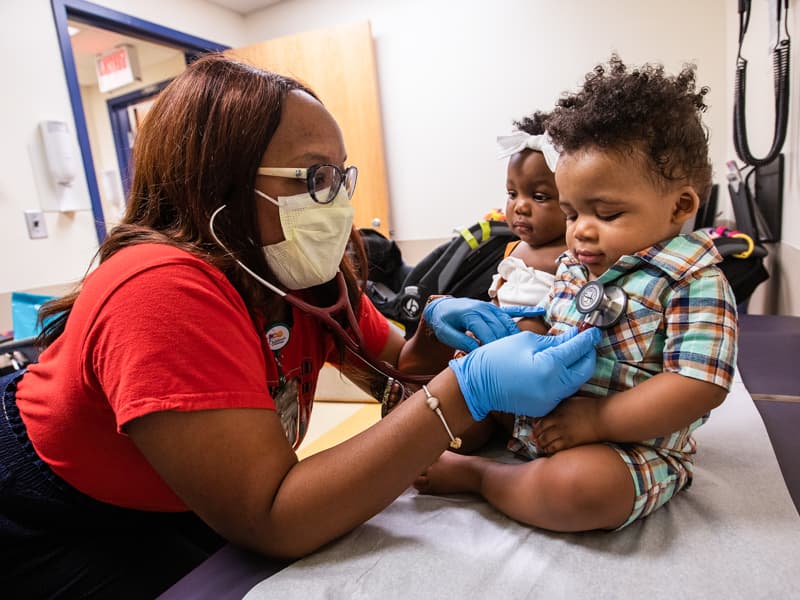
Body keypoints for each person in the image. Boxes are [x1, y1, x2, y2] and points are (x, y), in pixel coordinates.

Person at [0, 54, 600, 597]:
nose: (338, 202)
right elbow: (274, 516)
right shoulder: (158, 292)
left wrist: (432, 329)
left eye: (342, 177)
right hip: (50, 516)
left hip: (178, 499)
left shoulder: (299, 280)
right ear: (219, 184)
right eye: (314, 179)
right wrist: (464, 389)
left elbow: (394, 371)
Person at [415, 55, 739, 533]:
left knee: (583, 490)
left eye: (605, 214)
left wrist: (597, 422)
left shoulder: (695, 281)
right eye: (570, 214)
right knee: (462, 401)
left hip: (626, 444)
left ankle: (482, 477)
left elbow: (697, 384)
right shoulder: (575, 266)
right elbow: (554, 322)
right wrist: (516, 336)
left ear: (680, 207)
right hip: (543, 414)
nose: (581, 232)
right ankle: (469, 438)